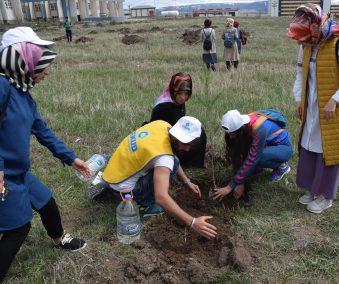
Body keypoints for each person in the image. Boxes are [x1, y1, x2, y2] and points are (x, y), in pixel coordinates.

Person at [0, 27, 90, 282]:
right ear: (22, 62)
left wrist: (71, 159)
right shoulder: (1, 88)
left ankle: (58, 238)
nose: (46, 72)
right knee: (18, 228)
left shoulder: (24, 96)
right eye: (41, 66)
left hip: (19, 174)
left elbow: (43, 132)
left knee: (46, 203)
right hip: (3, 176)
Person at [85, 117, 217, 239]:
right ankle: (145, 206)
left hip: (114, 171)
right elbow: (161, 198)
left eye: (189, 144)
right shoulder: (164, 158)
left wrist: (186, 181)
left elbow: (171, 157)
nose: (187, 149)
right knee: (161, 202)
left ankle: (107, 186)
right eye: (186, 143)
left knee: (172, 161)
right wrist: (193, 222)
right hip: (125, 192)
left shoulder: (161, 125)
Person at [287, 4, 339, 213]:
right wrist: (299, 99)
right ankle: (312, 189)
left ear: (316, 26)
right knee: (310, 145)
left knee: (327, 150)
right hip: (312, 106)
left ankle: (325, 196)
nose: (302, 42)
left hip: (332, 110)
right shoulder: (307, 45)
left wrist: (335, 100)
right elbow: (301, 75)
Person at [212, 110, 293, 201]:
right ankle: (257, 169)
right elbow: (237, 154)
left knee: (258, 157)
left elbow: (253, 158)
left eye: (232, 134)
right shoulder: (242, 125)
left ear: (240, 129)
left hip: (283, 148)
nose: (230, 137)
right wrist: (239, 182)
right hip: (266, 146)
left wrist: (230, 187)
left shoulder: (259, 128)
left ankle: (282, 167)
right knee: (250, 156)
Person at [150, 73, 206, 168]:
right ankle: (186, 165)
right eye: (180, 93)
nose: (183, 97)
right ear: (173, 91)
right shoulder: (164, 106)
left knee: (199, 132)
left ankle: (194, 165)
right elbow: (159, 134)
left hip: (176, 139)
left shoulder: (176, 102)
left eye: (186, 94)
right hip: (165, 146)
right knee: (199, 138)